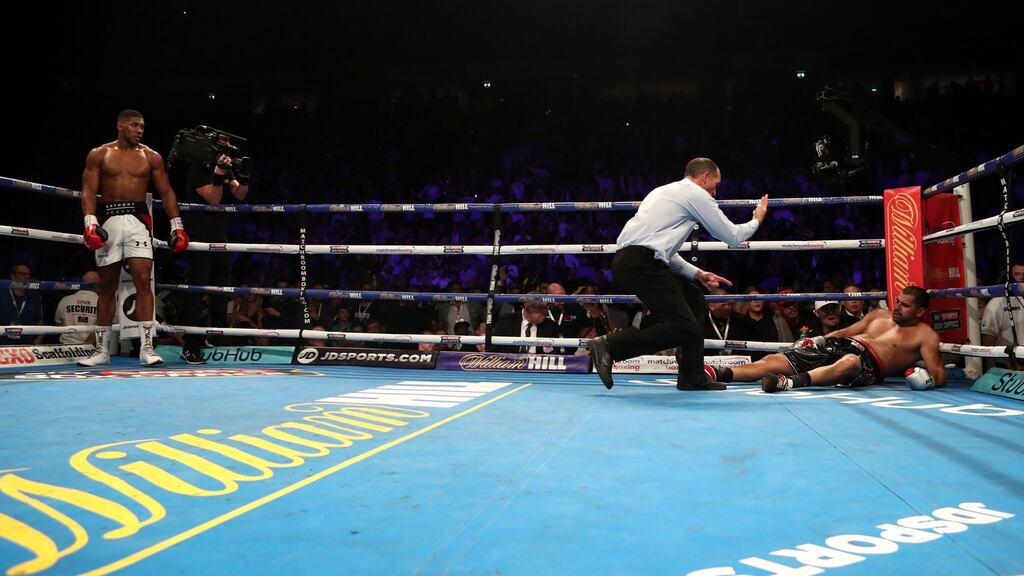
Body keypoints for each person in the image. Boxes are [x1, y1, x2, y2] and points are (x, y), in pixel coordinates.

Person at [589, 157, 769, 390]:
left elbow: (660, 248)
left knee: (694, 298)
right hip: (642, 264)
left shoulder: (662, 192)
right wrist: (757, 219)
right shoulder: (697, 194)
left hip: (633, 261)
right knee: (684, 326)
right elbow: (733, 236)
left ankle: (691, 376)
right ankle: (610, 346)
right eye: (716, 184)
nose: (715, 192)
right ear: (704, 177)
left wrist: (696, 273)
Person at [78, 110, 190, 367]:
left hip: (138, 221)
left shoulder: (151, 157)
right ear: (120, 126)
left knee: (143, 280)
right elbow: (88, 190)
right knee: (107, 286)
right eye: (135, 125)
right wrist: (90, 223)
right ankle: (101, 350)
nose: (140, 130)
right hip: (108, 221)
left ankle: (147, 347)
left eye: (142, 126)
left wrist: (177, 226)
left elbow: (166, 191)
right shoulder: (100, 154)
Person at [705, 286, 947, 392]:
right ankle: (716, 373)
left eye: (905, 306)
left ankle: (788, 383)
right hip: (839, 345)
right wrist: (820, 340)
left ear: (920, 312)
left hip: (867, 363)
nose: (897, 308)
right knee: (773, 359)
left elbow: (938, 374)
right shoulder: (879, 314)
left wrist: (926, 379)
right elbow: (844, 333)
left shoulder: (925, 335)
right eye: (898, 302)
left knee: (850, 362)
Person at [177, 140, 249, 363]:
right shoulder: (198, 168)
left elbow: (240, 194)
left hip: (220, 239)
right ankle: (190, 346)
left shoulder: (224, 169)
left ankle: (217, 339)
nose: (226, 151)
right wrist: (218, 174)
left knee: (221, 292)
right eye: (222, 146)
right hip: (200, 240)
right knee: (196, 294)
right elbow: (213, 198)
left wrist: (244, 175)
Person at [980, 260, 1024, 370]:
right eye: (1017, 274)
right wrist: (991, 368)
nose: (1021, 278)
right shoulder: (998, 302)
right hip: (1008, 365)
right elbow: (988, 335)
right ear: (1010, 276)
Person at [54, 271, 100, 345]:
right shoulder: (102, 303)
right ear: (98, 285)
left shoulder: (65, 300)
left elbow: (58, 324)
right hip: (90, 348)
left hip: (66, 347)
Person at [0, 263, 43, 344]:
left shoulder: (35, 297)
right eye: (22, 274)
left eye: (28, 274)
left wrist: (39, 339)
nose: (27, 277)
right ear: (13, 276)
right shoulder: (2, 294)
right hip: (3, 345)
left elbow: (39, 320)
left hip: (27, 345)